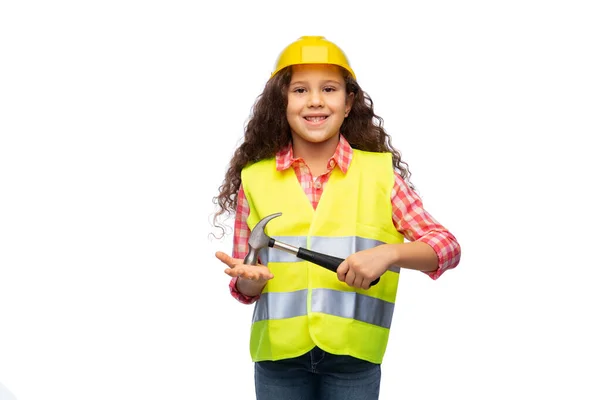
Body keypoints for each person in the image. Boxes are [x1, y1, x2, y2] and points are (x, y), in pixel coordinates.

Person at [212, 36, 461, 400]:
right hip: (278, 358)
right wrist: (250, 280)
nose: (315, 100)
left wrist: (390, 254)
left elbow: (447, 247)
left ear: (348, 103)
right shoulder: (254, 179)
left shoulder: (380, 174)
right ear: (281, 103)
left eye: (328, 89)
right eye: (300, 90)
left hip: (354, 357)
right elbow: (246, 283)